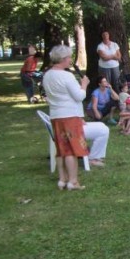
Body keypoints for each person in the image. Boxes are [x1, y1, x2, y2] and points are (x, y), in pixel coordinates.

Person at [42, 45, 90, 190]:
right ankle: (73, 181)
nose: (70, 60)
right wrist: (84, 85)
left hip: (56, 115)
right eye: (69, 57)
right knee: (71, 149)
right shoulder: (66, 76)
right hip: (70, 116)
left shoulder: (47, 75)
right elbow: (79, 96)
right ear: (63, 59)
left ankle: (62, 179)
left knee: (61, 148)